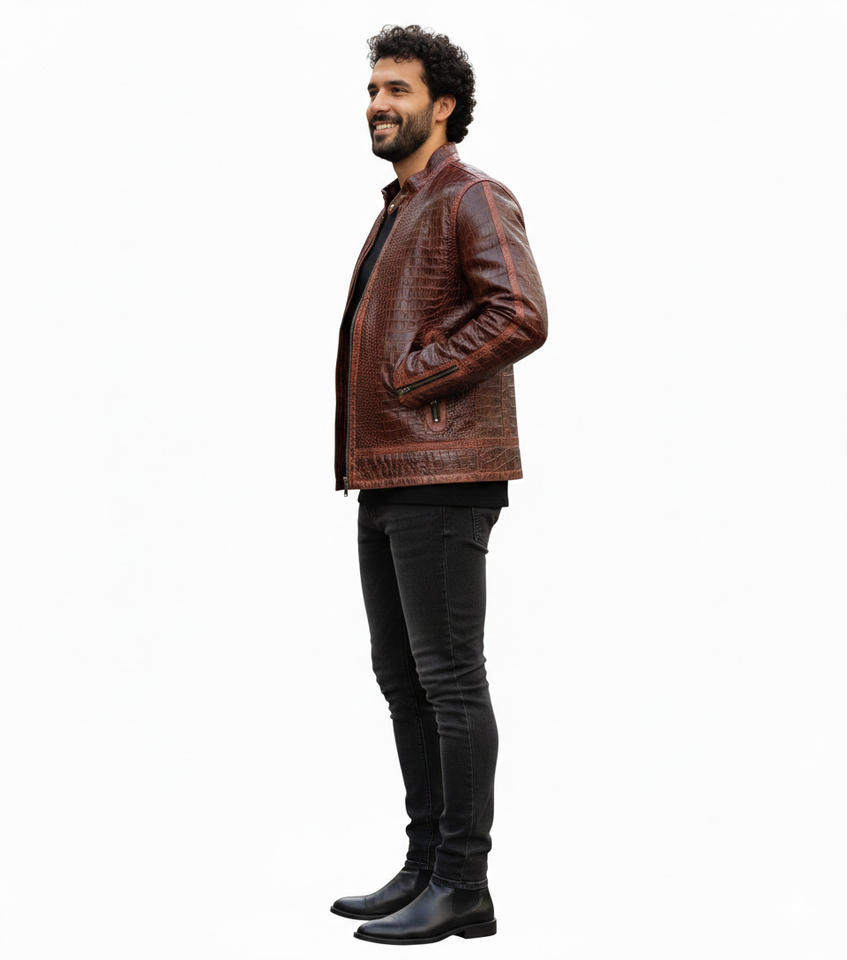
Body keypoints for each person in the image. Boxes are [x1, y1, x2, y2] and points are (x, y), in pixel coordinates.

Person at [330, 24, 548, 945]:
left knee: (450, 680)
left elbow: (519, 313)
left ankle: (464, 883)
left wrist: (410, 377)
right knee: (402, 678)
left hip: (444, 471)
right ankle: (425, 865)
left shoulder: (472, 196)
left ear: (443, 104)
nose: (377, 104)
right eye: (372, 89)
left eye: (397, 89)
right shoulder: (400, 205)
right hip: (384, 473)